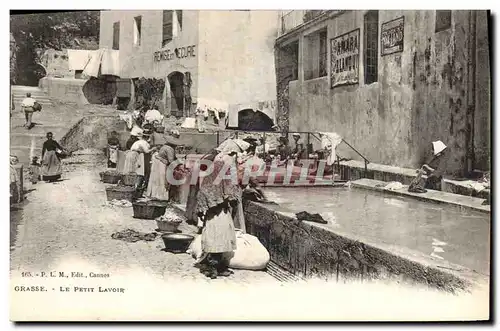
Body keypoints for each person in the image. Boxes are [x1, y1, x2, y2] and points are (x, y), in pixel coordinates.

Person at [194, 148, 243, 279]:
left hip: (211, 211)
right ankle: (214, 267)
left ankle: (215, 266)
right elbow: (230, 193)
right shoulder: (225, 173)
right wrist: (233, 199)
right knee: (220, 237)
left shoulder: (210, 174)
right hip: (219, 210)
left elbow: (204, 193)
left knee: (213, 236)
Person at [145, 135, 179, 201]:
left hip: (158, 162)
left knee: (156, 179)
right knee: (162, 179)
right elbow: (171, 161)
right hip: (161, 163)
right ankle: (160, 196)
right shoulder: (169, 149)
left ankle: (154, 194)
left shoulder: (165, 146)